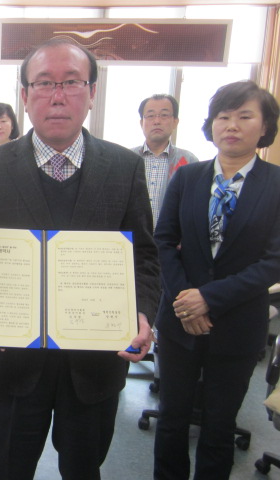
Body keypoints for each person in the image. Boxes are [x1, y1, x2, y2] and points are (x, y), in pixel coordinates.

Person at [0, 38, 161, 480]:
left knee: (83, 470)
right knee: (9, 469)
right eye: (45, 83)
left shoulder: (124, 166)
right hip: (16, 365)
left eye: (72, 82)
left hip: (94, 366)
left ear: (91, 93)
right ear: (25, 96)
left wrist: (144, 311)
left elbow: (145, 256)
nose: (58, 95)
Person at [153, 80, 280, 479]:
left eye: (245, 116)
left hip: (238, 324)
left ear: (264, 126)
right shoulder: (188, 178)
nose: (232, 125)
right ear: (211, 126)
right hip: (178, 321)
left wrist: (208, 299)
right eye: (223, 117)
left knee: (219, 424)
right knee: (171, 419)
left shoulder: (276, 185)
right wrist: (185, 301)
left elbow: (274, 261)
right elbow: (162, 241)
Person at [131, 94, 199, 228]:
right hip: (133, 239)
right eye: (150, 116)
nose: (157, 121)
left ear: (175, 121)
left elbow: (194, 206)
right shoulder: (127, 158)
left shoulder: (189, 161)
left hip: (171, 241)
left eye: (164, 115)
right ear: (141, 122)